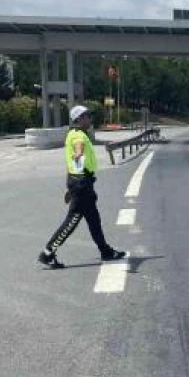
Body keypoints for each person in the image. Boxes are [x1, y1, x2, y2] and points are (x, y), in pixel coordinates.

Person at [38, 105, 127, 269]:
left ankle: (106, 251)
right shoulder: (78, 136)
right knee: (71, 222)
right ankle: (48, 252)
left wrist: (70, 187)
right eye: (86, 116)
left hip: (79, 182)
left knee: (94, 221)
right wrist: (79, 157)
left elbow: (72, 162)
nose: (89, 119)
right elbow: (78, 152)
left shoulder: (73, 134)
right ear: (78, 120)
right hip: (82, 184)